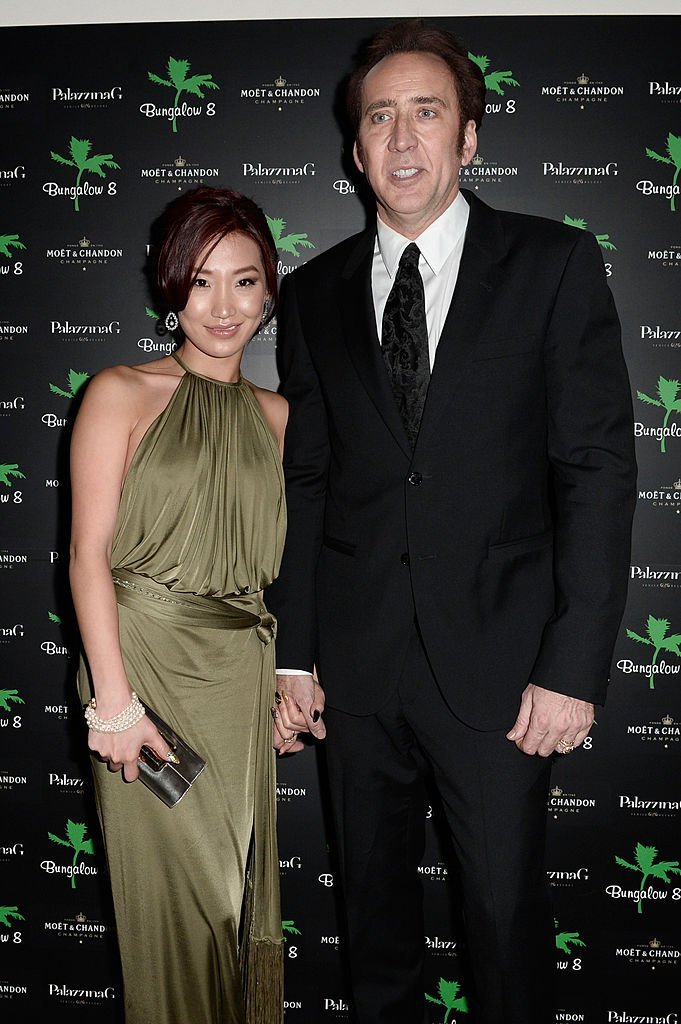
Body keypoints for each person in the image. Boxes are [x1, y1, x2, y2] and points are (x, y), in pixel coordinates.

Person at [265, 19, 637, 1024]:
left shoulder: (556, 264)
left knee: (505, 928)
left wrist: (571, 665)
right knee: (372, 934)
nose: (401, 138)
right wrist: (292, 653)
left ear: (468, 138)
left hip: (504, 669)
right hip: (358, 666)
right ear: (354, 149)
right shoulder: (310, 295)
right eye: (379, 117)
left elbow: (598, 471)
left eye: (426, 113)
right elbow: (308, 483)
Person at [69, 186, 288, 1024]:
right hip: (142, 674)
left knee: (232, 908)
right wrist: (113, 704)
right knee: (181, 910)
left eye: (243, 281)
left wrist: (285, 678)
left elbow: (285, 574)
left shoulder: (279, 418)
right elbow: (88, 554)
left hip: (237, 677)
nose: (223, 307)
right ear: (170, 287)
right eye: (200, 282)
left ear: (269, 287)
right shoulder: (121, 392)